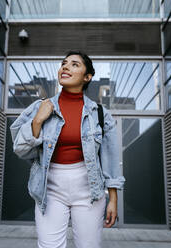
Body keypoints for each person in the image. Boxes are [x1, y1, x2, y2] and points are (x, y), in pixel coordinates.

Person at [10, 50, 125, 248]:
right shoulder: (41, 107)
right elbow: (19, 148)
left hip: (89, 189)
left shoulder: (99, 113)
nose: (65, 66)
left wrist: (113, 199)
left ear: (87, 77)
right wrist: (38, 119)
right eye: (64, 63)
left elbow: (111, 158)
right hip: (49, 188)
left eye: (74, 64)